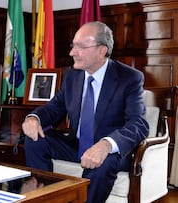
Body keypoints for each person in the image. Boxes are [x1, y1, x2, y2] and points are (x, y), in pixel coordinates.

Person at [22, 21, 149, 203]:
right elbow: (55, 107)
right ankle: (45, 199)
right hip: (77, 145)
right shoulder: (73, 76)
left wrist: (106, 144)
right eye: (73, 45)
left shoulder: (128, 78)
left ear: (101, 50)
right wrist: (34, 118)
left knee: (103, 161)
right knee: (35, 139)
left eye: (80, 46)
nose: (72, 52)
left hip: (110, 152)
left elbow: (138, 124)